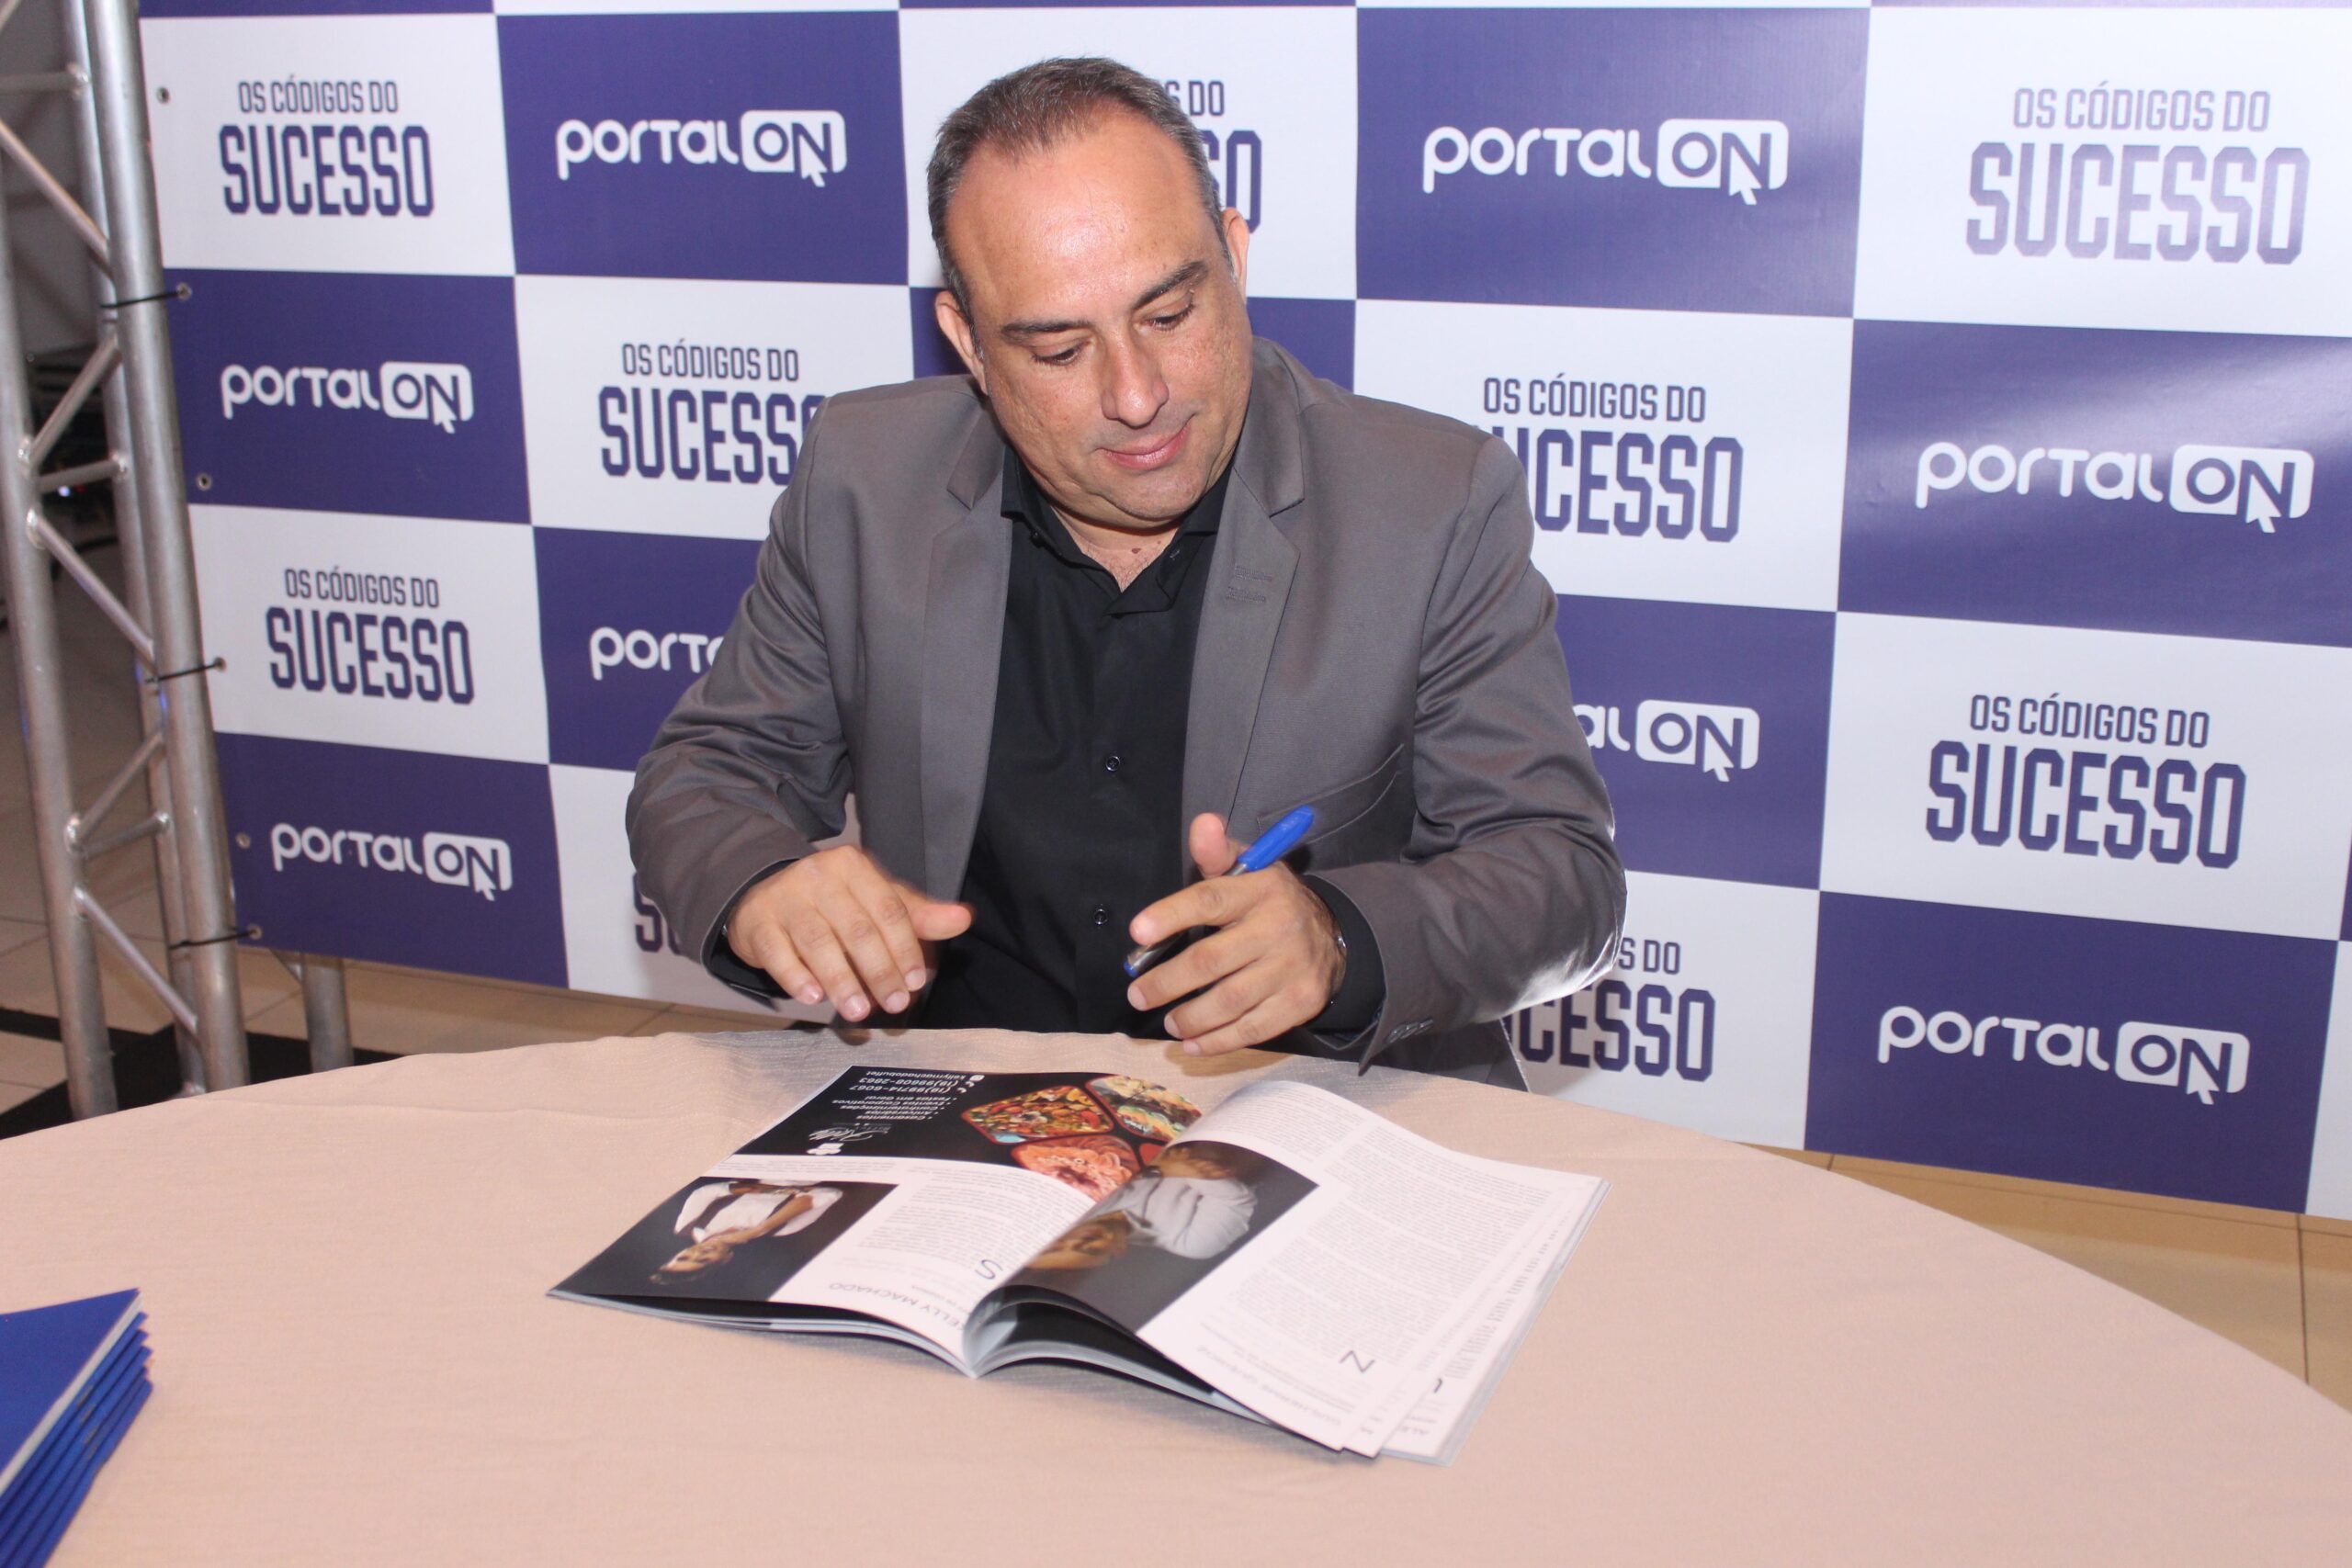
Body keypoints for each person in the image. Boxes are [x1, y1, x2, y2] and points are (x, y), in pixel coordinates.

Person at [628, 57, 1623, 1087]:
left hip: (1305, 1109)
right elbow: (706, 775)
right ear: (968, 342)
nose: (1137, 395)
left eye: (1169, 315)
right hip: (960, 1105)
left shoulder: (1432, 501)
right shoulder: (863, 478)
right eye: (1059, 352)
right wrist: (764, 882)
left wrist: (1337, 941)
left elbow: (1562, 876)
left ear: (1234, 256)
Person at [1027, 1144, 1263, 1269]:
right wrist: (1179, 1168)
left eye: (1056, 1245)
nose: (1077, 1241)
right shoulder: (1191, 1244)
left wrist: (1161, 1168)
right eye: (1090, 1250)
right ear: (1118, 1251)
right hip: (1243, 1151)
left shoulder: (1075, 1201)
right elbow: (1235, 1198)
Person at [654, 1179, 841, 1281]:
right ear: (726, 1259)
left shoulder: (686, 1227)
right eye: (704, 1260)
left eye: (684, 1257)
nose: (698, 1253)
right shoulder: (782, 1230)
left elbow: (707, 1192)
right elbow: (830, 1194)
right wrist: (760, 1228)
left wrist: (786, 1190)